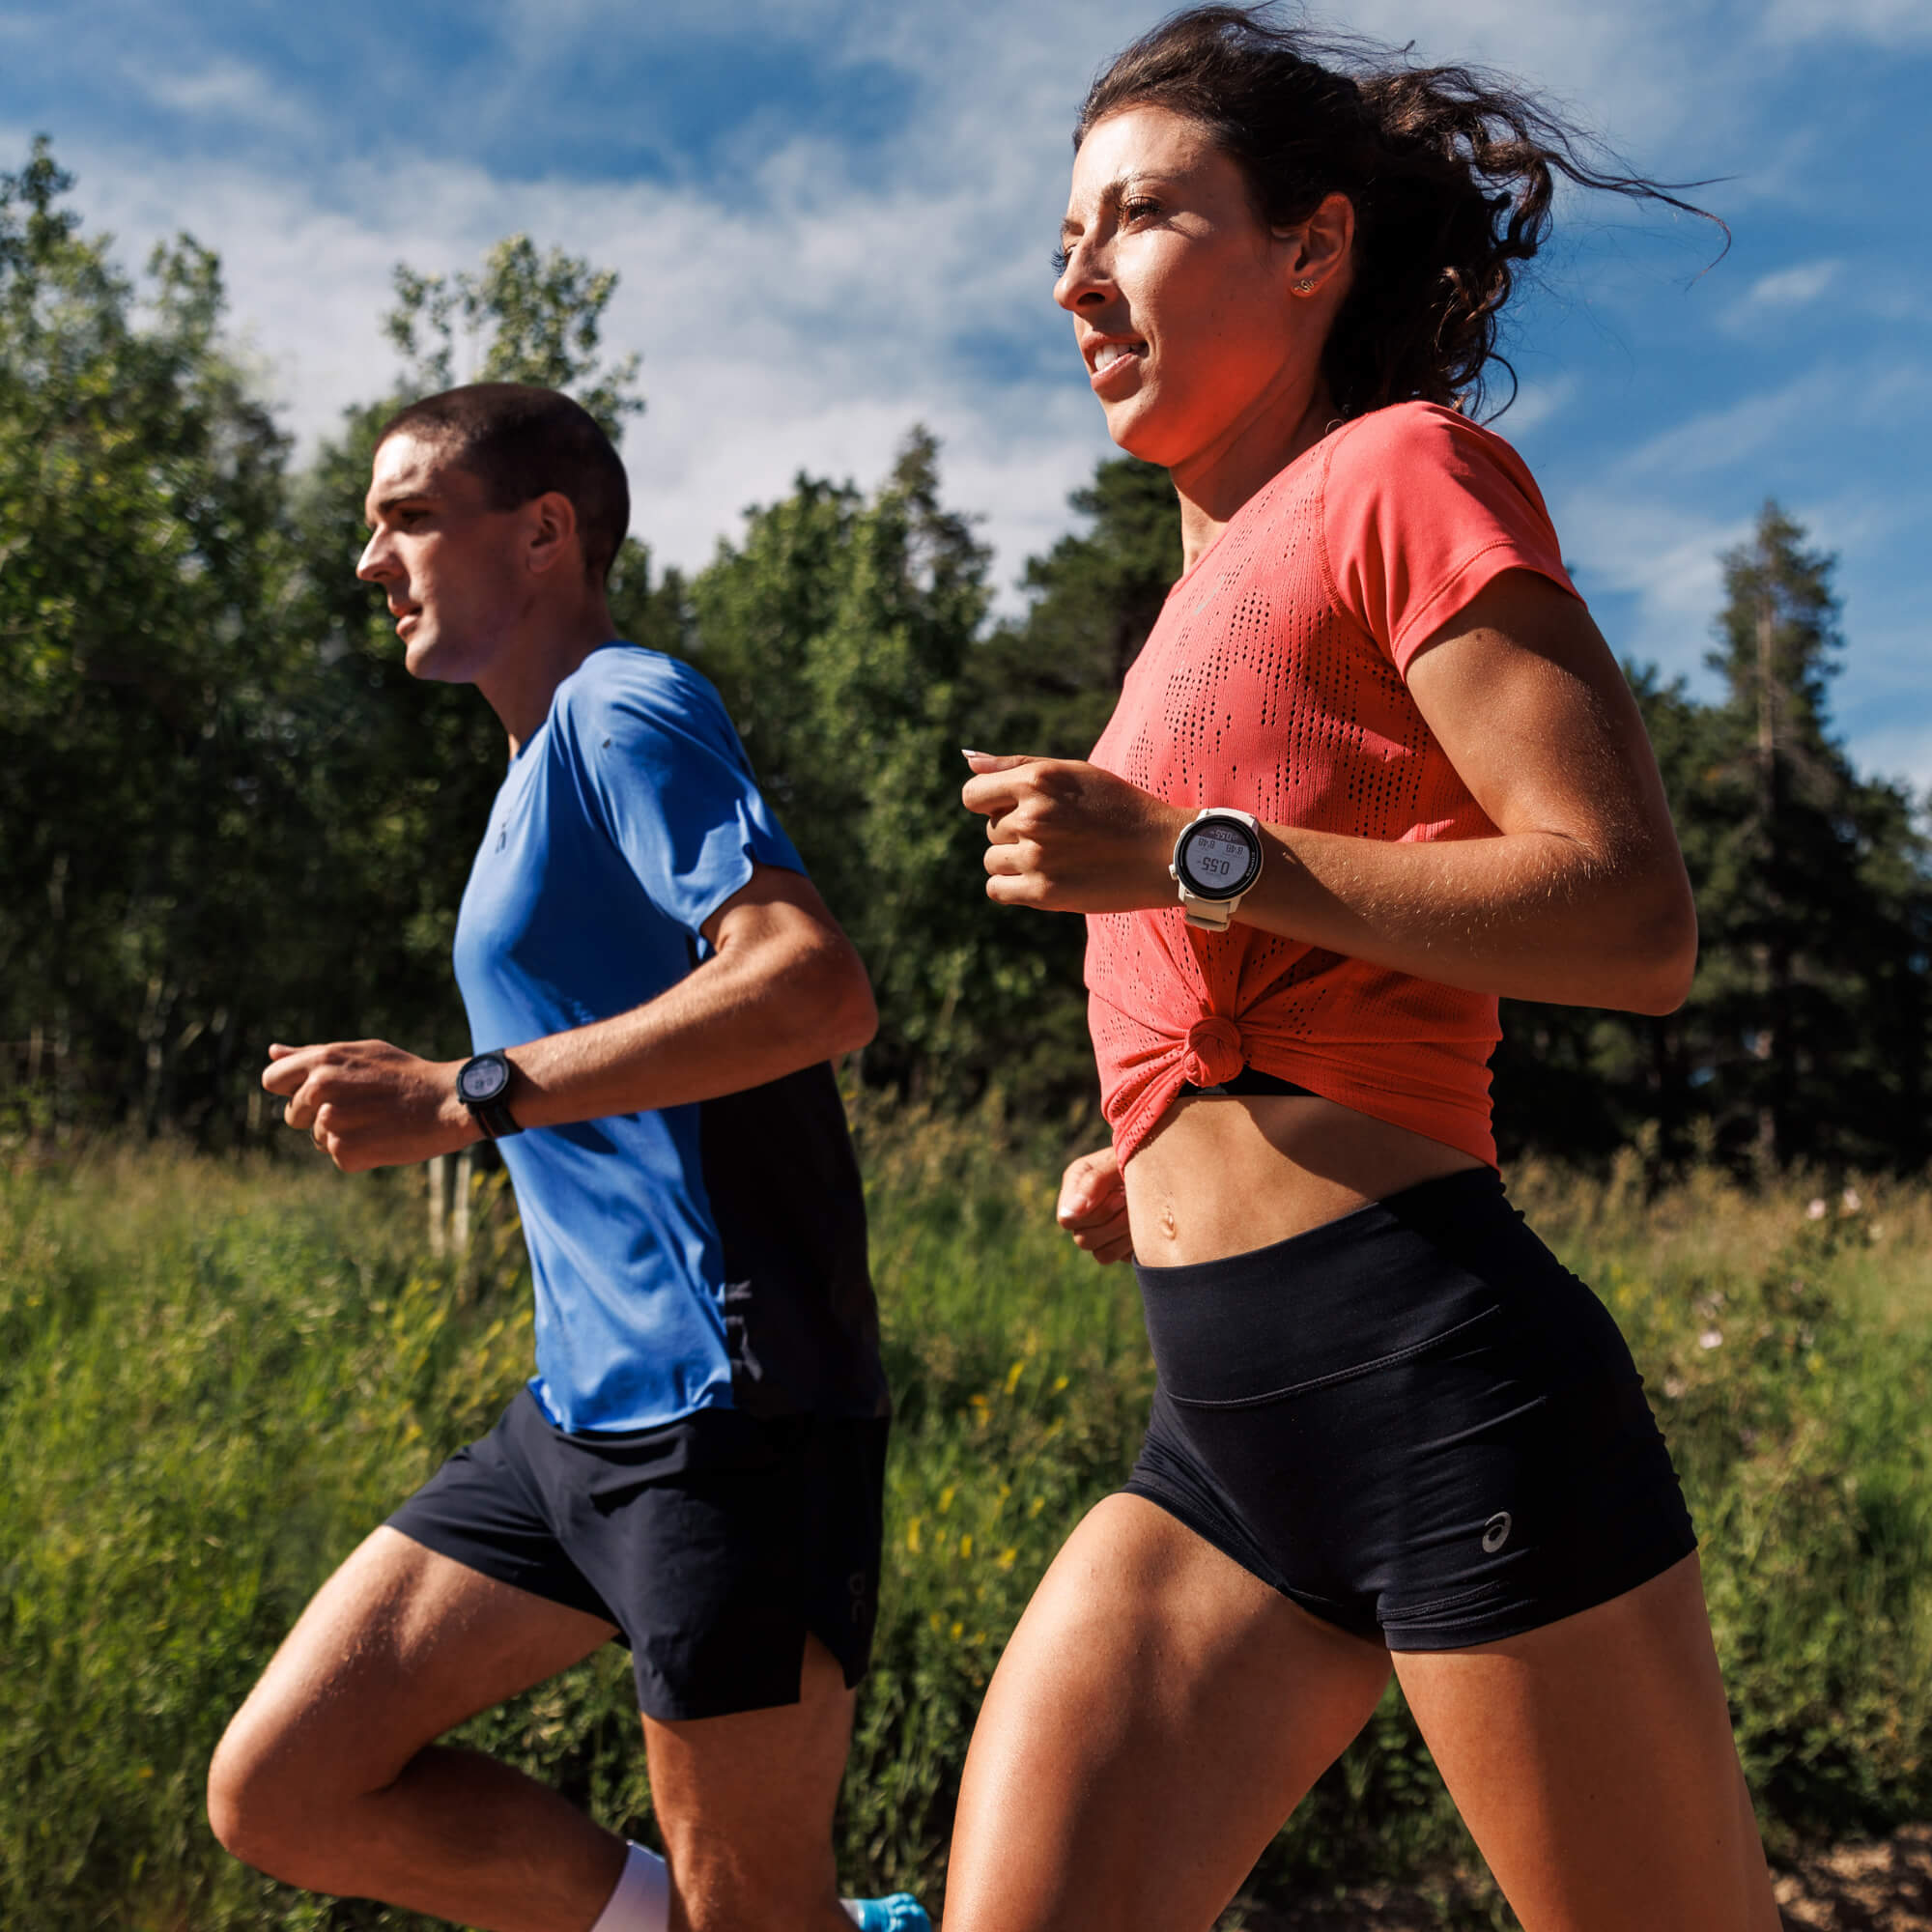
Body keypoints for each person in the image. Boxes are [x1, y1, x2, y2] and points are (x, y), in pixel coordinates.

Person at [950, 11, 1780, 1930]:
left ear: (1310, 250)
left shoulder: (1409, 471)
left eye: (1143, 217)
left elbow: (1626, 913)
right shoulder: (1183, 614)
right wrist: (1155, 1139)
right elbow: (1313, 961)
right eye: (1064, 237)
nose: (1078, 274)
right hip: (1222, 1436)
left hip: (1432, 1377)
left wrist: (1184, 858)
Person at [206, 383, 928, 1932]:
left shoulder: (623, 704)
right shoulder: (532, 764)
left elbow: (812, 984)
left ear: (542, 534)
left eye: (405, 515)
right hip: (580, 1415)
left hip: (730, 1409)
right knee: (282, 1787)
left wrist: (465, 1094)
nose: (367, 558)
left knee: (760, 1910)